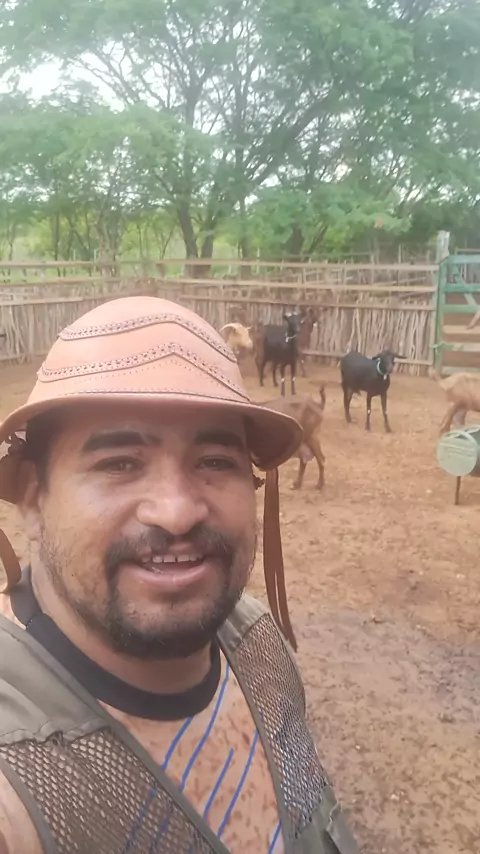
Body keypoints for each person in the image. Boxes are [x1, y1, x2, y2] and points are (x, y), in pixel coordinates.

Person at [0, 296, 359, 854]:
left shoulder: (254, 639)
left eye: (215, 461)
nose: (177, 512)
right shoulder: (21, 766)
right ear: (32, 497)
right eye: (119, 463)